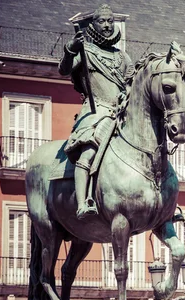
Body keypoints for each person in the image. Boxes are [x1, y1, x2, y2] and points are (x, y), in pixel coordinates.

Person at [59, 4, 134, 219]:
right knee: (89, 152)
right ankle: (83, 203)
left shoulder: (123, 57)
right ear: (93, 24)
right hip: (96, 112)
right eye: (102, 21)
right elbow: (63, 70)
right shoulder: (86, 52)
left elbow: (131, 83)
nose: (108, 25)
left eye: (110, 21)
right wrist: (71, 48)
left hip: (120, 113)